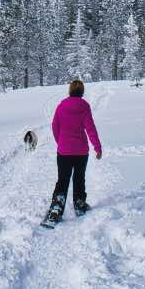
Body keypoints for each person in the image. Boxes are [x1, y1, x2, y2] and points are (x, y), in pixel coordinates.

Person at [48, 79, 102, 222]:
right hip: (81, 152)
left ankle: (56, 208)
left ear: (70, 90)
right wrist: (97, 147)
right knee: (79, 179)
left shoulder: (61, 106)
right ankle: (79, 203)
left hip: (64, 152)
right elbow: (91, 129)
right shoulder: (84, 106)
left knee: (62, 180)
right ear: (82, 91)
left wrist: (60, 142)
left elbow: (54, 126)